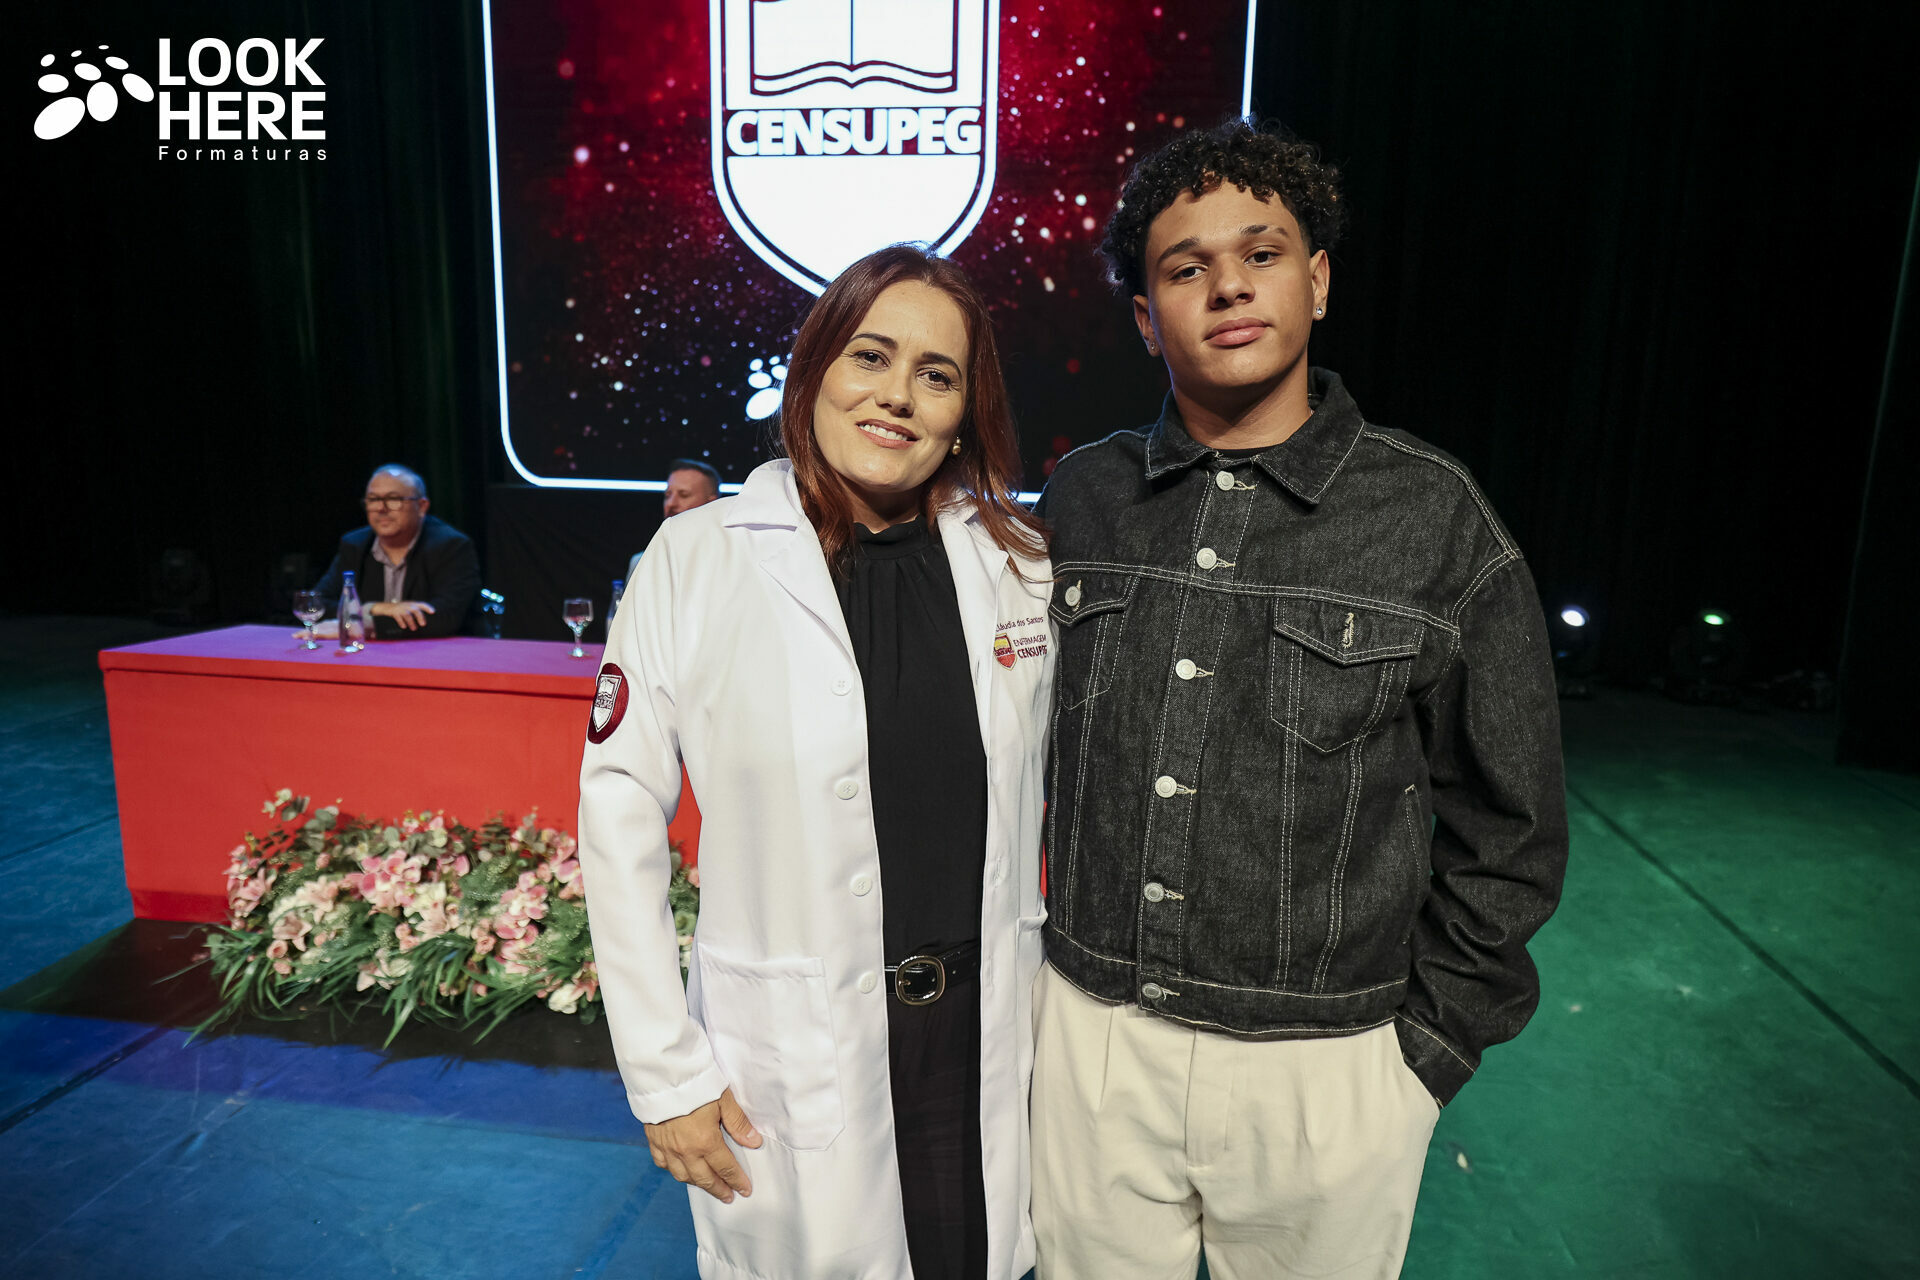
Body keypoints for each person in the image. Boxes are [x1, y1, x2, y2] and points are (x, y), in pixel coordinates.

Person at [1030, 119, 1569, 1278]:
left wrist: (1420, 1055)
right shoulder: (1081, 497)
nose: (1228, 284)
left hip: (1328, 1068)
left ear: (1316, 280)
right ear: (1146, 317)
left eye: (1262, 253)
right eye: (1186, 267)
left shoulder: (1432, 514)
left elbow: (1514, 824)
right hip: (1088, 1042)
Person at [578, 245, 1054, 1280]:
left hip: (983, 1039)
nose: (897, 395)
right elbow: (617, 817)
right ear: (814, 370)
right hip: (793, 1052)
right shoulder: (697, 558)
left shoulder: (1020, 564)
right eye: (870, 356)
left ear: (965, 411)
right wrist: (666, 1073)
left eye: (936, 375)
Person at [311, 465, 480, 638]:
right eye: (373, 499)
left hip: (442, 651)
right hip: (372, 651)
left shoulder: (451, 546)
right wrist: (375, 608)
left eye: (394, 499)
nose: (381, 508)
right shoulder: (355, 545)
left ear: (422, 506)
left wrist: (364, 625)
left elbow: (445, 617)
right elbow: (315, 605)